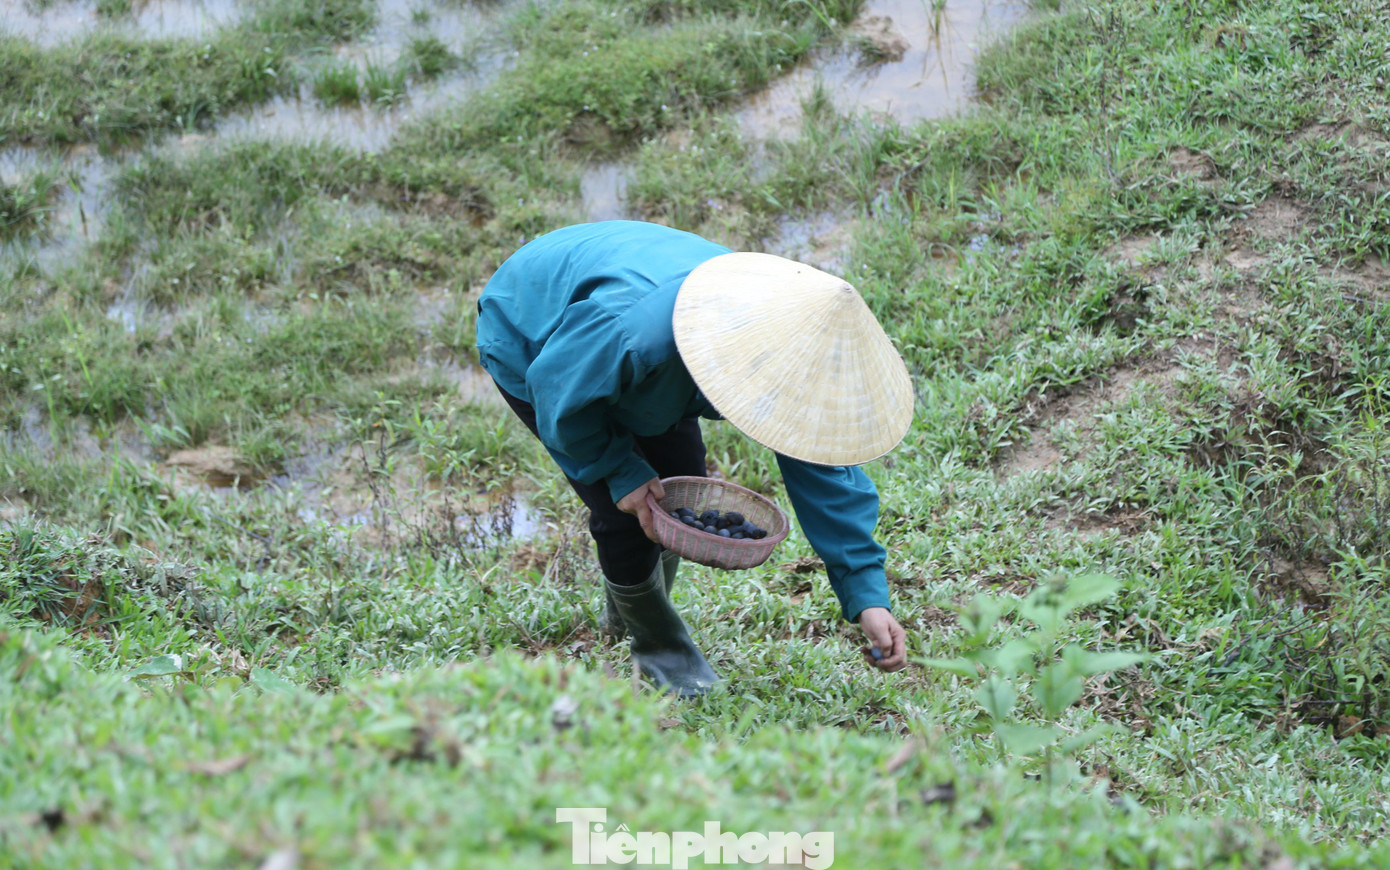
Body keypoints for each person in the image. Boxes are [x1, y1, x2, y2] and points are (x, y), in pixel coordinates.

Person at [475, 220, 914, 696]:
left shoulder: (785, 345)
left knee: (677, 484)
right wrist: (621, 471)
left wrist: (867, 596)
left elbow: (821, 465)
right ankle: (659, 653)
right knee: (628, 509)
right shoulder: (633, 332)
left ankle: (623, 614)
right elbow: (557, 391)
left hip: (629, 336)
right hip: (534, 334)